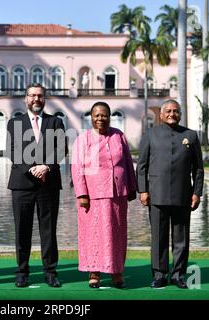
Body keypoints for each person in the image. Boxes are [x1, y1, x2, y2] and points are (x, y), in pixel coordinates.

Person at [136, 99, 204, 289]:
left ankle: (179, 274)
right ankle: (159, 274)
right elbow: (142, 166)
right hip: (156, 195)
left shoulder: (190, 136)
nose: (172, 114)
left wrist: (197, 193)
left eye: (176, 111)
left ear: (180, 114)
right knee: (159, 238)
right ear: (161, 114)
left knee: (181, 238)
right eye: (168, 111)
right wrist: (143, 190)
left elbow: (198, 168)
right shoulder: (150, 134)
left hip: (183, 195)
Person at [6, 83, 67, 288]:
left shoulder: (55, 121)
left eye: (39, 96)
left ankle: (50, 272)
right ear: (26, 98)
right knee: (22, 230)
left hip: (48, 183)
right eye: (32, 95)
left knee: (48, 230)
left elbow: (61, 148)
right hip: (22, 183)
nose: (36, 99)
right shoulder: (14, 123)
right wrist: (32, 168)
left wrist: (46, 166)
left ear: (45, 98)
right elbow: (12, 150)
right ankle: (22, 272)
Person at [71, 101, 136, 289]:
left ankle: (117, 272)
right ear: (91, 117)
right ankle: (94, 273)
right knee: (93, 235)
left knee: (117, 235)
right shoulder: (83, 139)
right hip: (92, 196)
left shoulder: (119, 136)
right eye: (97, 115)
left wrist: (131, 187)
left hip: (117, 194)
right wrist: (82, 194)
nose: (101, 118)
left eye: (104, 115)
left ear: (109, 116)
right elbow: (77, 168)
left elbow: (127, 163)